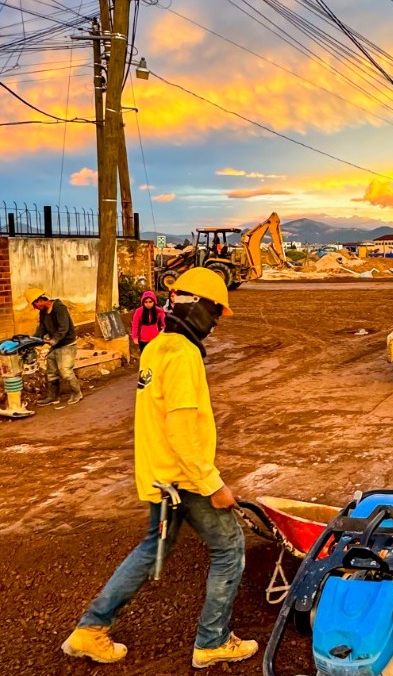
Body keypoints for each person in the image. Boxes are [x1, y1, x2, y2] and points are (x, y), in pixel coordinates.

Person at [61, 267, 257, 670]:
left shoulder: (155, 347)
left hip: (160, 473)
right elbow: (182, 428)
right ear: (201, 308)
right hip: (185, 479)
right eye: (217, 312)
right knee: (229, 548)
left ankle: (90, 628)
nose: (217, 323)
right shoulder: (183, 355)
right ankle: (213, 641)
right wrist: (213, 483)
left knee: (154, 546)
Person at [24, 287, 83, 406]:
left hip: (67, 344)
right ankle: (53, 396)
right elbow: (42, 328)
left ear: (39, 300)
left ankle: (77, 393)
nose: (34, 308)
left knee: (65, 371)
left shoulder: (59, 308)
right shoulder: (43, 313)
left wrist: (54, 339)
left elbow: (64, 328)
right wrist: (34, 340)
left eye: (34, 304)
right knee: (51, 373)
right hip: (55, 346)